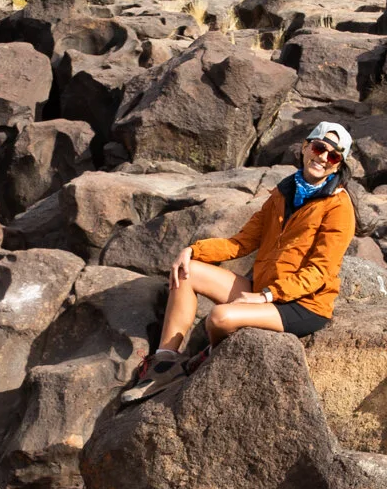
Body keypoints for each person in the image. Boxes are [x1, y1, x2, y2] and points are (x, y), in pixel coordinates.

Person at [120, 120, 357, 402]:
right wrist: (194, 251)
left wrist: (269, 295)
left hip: (303, 304)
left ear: (338, 165)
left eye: (332, 156)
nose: (322, 157)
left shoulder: (338, 208)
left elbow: (320, 271)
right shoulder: (283, 194)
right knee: (187, 272)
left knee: (220, 318)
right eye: (319, 147)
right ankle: (165, 364)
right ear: (306, 147)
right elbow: (240, 242)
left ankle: (206, 360)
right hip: (265, 289)